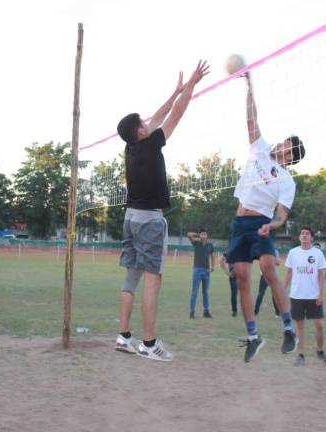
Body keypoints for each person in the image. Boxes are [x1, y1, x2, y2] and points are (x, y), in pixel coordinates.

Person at [114, 60, 210, 362]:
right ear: (141, 132)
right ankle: (149, 343)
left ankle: (123, 336)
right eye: (142, 122)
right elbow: (176, 114)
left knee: (132, 277)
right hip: (149, 220)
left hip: (130, 218)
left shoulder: (131, 147)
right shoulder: (152, 144)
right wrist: (193, 84)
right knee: (153, 278)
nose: (147, 121)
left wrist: (175, 91)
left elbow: (158, 115)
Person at [227, 72, 305, 363]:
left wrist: (270, 226)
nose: (281, 144)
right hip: (239, 223)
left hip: (261, 224)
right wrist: (250, 88)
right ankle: (252, 336)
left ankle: (288, 329)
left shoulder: (286, 180)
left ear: (290, 156)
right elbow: (251, 120)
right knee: (242, 279)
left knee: (270, 270)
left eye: (287, 145)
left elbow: (281, 216)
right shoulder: (259, 150)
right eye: (284, 141)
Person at [284, 226, 326, 366]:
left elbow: (321, 275)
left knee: (319, 325)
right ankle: (300, 354)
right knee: (300, 327)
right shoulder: (293, 252)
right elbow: (289, 273)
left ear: (311, 237)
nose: (304, 236)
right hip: (297, 295)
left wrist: (321, 294)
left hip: (313, 296)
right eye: (302, 234)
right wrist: (282, 290)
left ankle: (320, 350)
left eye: (307, 234)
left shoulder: (317, 254)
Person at [187, 228, 215, 319]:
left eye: (205, 234)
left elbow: (212, 256)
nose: (203, 236)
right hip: (197, 270)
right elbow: (189, 235)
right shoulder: (196, 243)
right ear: (200, 235)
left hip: (206, 271)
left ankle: (206, 312)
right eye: (202, 234)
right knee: (194, 292)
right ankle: (192, 312)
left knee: (205, 292)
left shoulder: (210, 245)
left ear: (207, 236)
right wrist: (197, 234)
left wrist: (213, 267)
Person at [254, 248, 282, 316]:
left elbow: (278, 263)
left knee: (273, 294)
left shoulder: (274, 250)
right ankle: (256, 311)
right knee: (261, 294)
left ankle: (277, 313)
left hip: (270, 275)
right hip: (266, 275)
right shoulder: (264, 250)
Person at [218, 253, 238, 317]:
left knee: (234, 294)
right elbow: (220, 260)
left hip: (234, 275)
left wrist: (228, 273)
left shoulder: (230, 250)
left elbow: (220, 260)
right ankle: (235, 310)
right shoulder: (241, 249)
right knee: (243, 293)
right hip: (238, 274)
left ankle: (234, 311)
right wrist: (228, 273)